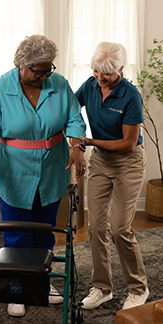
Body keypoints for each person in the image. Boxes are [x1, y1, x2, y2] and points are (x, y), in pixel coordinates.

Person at [0, 34, 86, 317]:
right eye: (38, 71)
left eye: (49, 69)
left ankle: (43, 282)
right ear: (21, 66)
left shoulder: (58, 84)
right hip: (13, 174)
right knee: (16, 237)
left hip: (51, 172)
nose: (44, 76)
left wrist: (77, 146)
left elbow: (74, 117)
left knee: (45, 234)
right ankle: (17, 289)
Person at [75, 41, 149, 310]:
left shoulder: (131, 96)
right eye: (96, 71)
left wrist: (90, 142)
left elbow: (128, 143)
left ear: (121, 67)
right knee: (95, 228)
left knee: (119, 228)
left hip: (128, 163)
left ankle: (138, 288)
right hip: (101, 164)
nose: (100, 78)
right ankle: (102, 288)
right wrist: (76, 139)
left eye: (106, 73)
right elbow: (72, 108)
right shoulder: (91, 84)